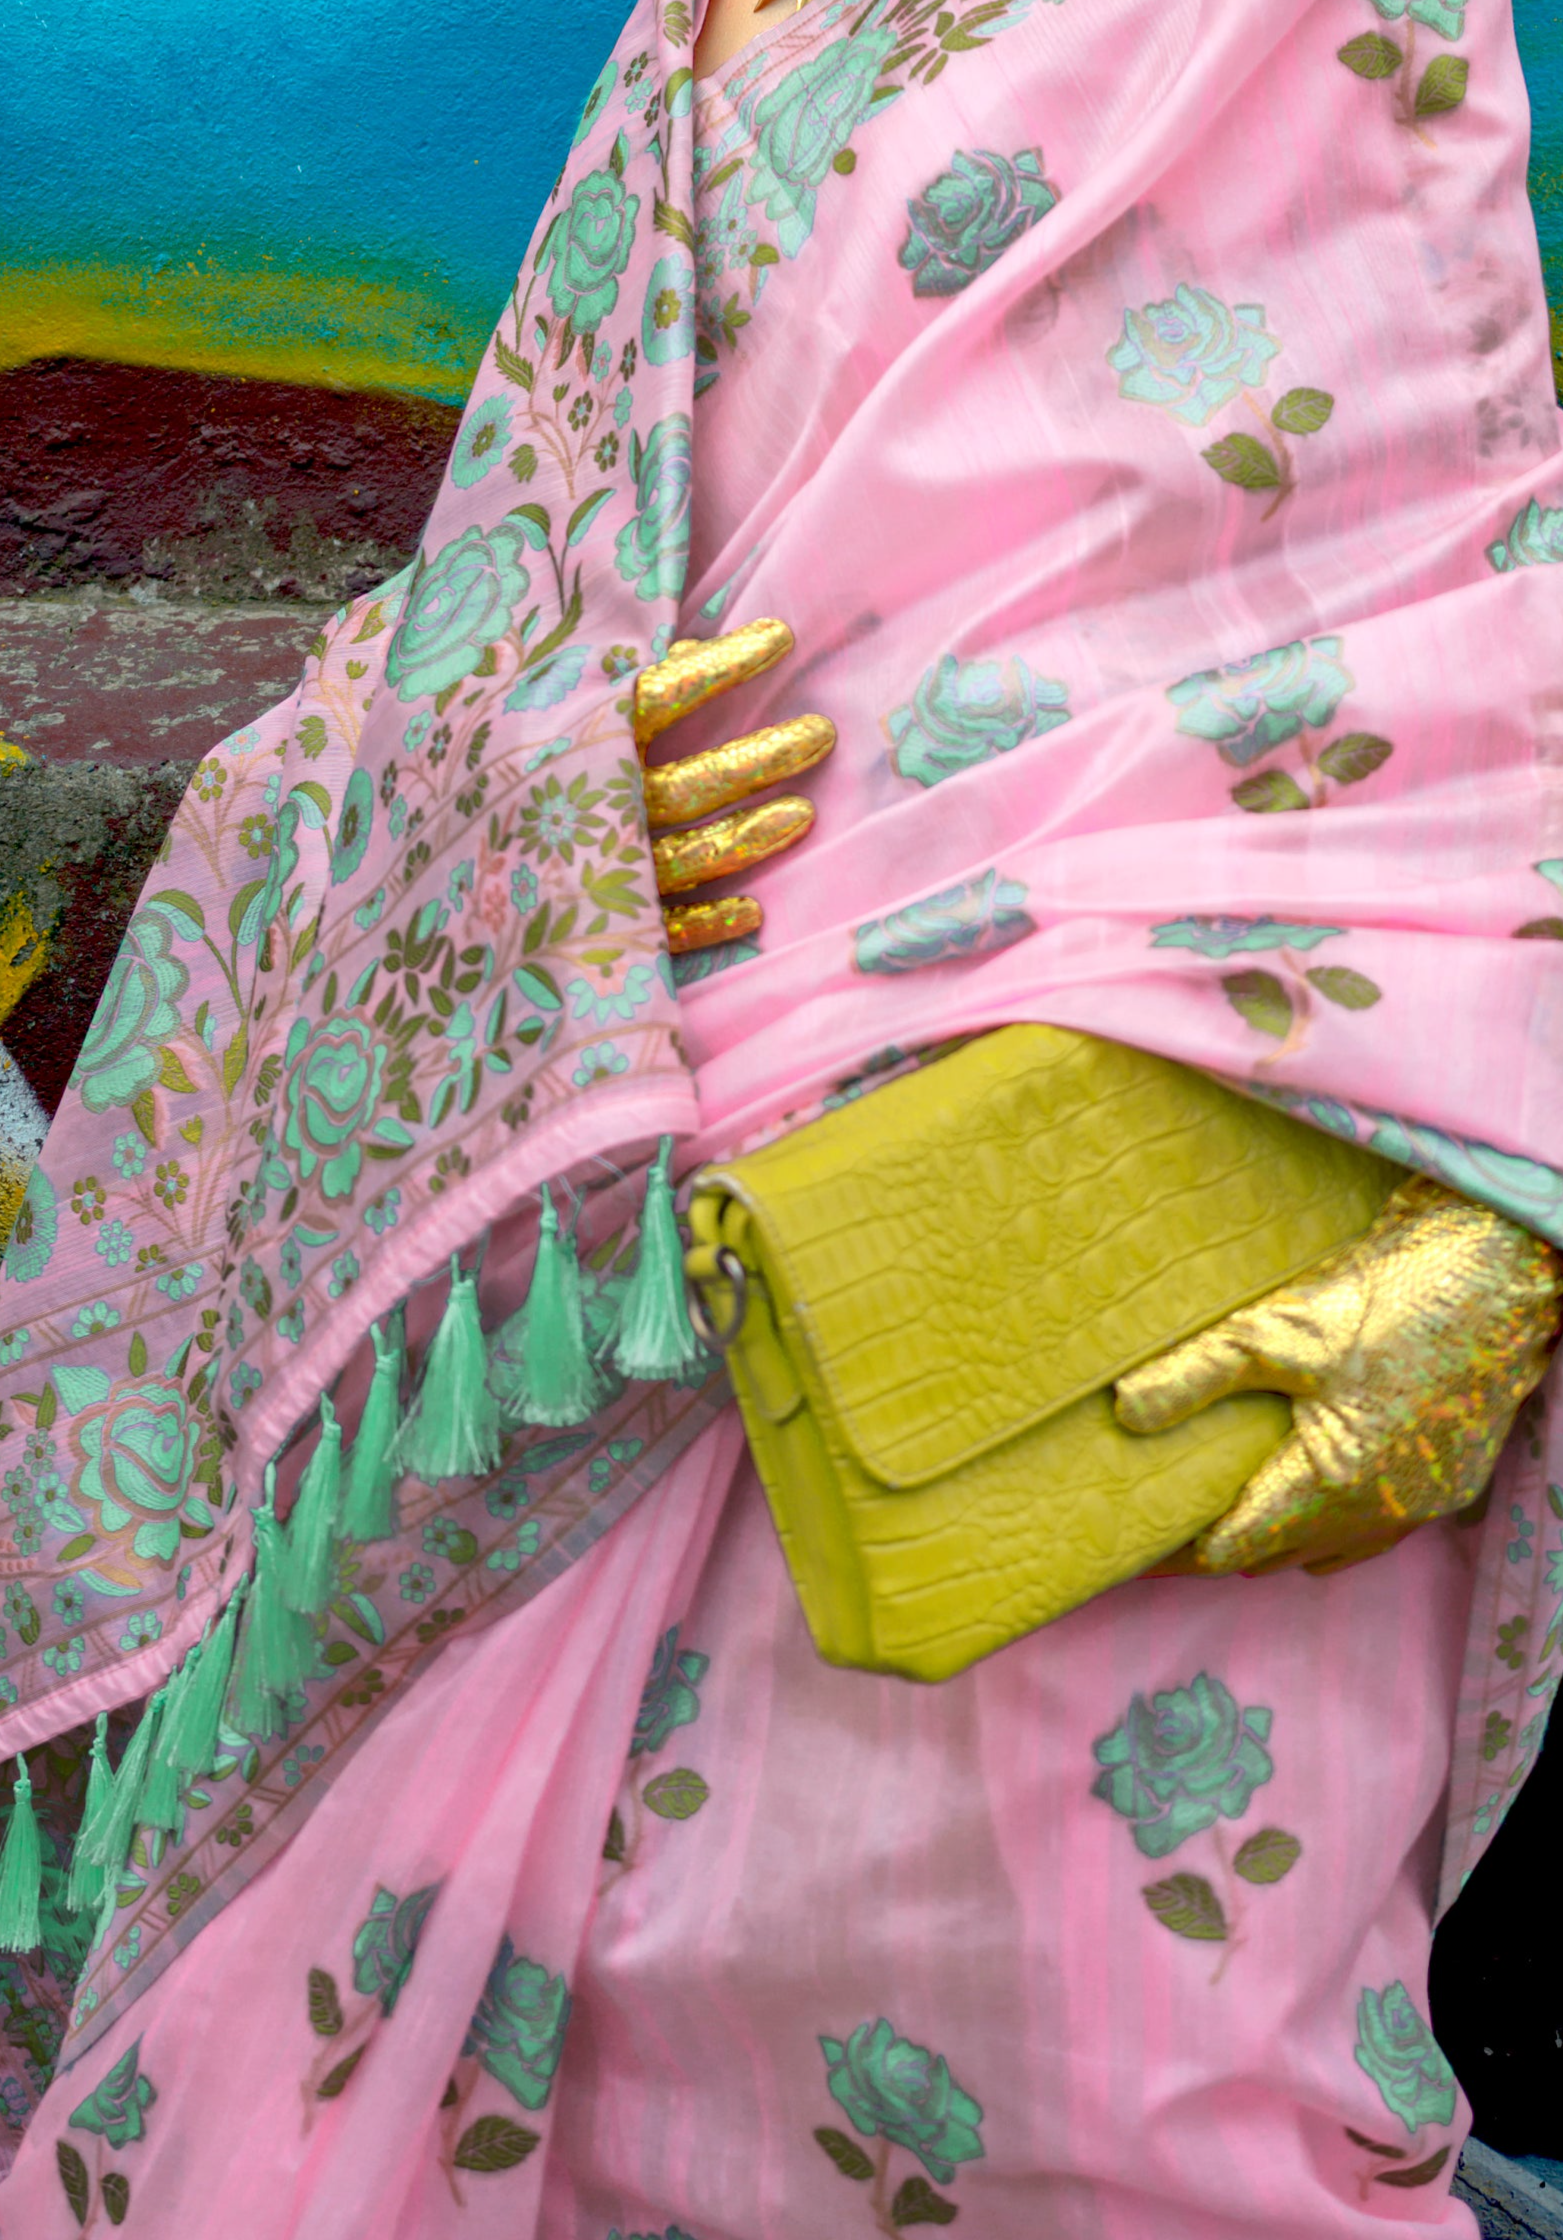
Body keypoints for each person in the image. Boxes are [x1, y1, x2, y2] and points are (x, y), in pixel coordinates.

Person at [0, 0, 1561, 2230]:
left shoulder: (1278, 27)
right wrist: (519, 830)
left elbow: (1461, 638)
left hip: (1157, 1274)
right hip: (606, 1270)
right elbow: (488, 626)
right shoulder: (691, 41)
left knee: (1112, 2090)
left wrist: (1508, 1217)